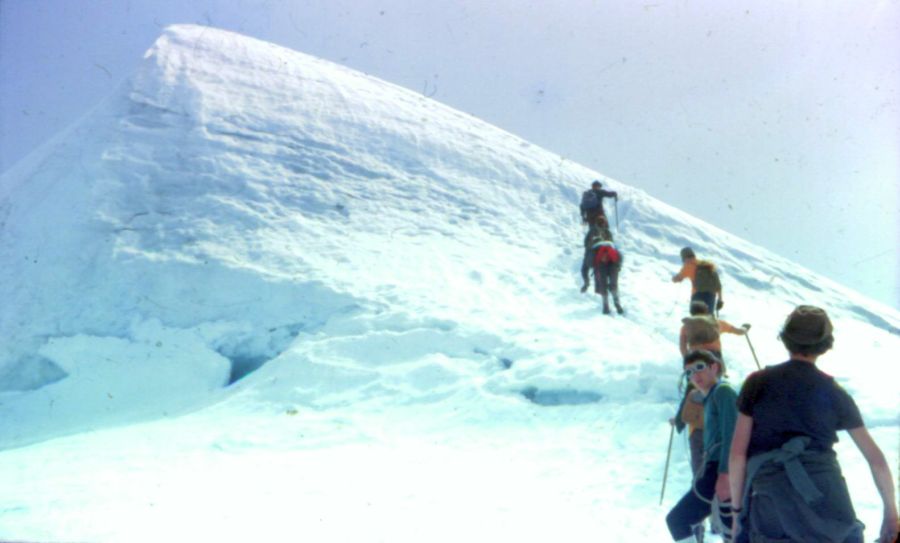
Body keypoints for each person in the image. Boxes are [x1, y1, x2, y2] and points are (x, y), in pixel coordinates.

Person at [728, 305, 898, 543]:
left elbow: (737, 455)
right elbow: (876, 459)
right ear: (825, 344)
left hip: (772, 497)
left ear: (786, 338)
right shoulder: (833, 391)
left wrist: (737, 513)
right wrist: (891, 512)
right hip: (827, 497)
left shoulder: (757, 384)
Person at [667, 350, 738, 543]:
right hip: (714, 469)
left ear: (714, 367)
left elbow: (732, 435)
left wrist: (725, 474)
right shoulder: (710, 396)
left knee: (678, 520)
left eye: (699, 368)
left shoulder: (723, 392)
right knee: (729, 531)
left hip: (720, 471)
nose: (694, 376)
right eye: (689, 372)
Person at [679, 301, 747, 359]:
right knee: (717, 371)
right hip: (714, 355)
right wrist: (744, 329)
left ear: (691, 313)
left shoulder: (686, 327)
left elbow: (683, 347)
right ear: (706, 311)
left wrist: (687, 360)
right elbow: (739, 332)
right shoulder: (717, 323)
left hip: (696, 356)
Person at [672, 247, 723, 314]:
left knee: (696, 319)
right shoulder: (706, 265)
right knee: (708, 320)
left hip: (698, 295)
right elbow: (718, 285)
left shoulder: (688, 265)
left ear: (683, 257)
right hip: (711, 296)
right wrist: (720, 299)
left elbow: (677, 279)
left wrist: (673, 279)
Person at [580, 215, 613, 293]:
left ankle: (586, 282)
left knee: (584, 268)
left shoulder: (592, 231)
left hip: (593, 255)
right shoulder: (607, 232)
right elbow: (611, 244)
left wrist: (591, 245)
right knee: (611, 267)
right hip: (604, 255)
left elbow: (586, 243)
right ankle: (609, 283)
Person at [592, 239, 623, 315]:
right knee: (613, 285)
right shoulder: (612, 249)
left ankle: (605, 306)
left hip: (602, 265)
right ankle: (616, 303)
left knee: (603, 286)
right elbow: (618, 260)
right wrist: (618, 267)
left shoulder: (597, 251)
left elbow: (594, 263)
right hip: (613, 265)